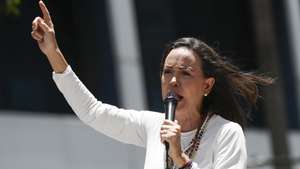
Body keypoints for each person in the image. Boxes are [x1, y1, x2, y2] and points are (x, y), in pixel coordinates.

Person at [31, 1, 273, 169]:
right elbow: (93, 112)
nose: (173, 81)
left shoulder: (226, 133)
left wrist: (180, 158)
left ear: (207, 85)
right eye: (167, 72)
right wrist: (53, 52)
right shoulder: (153, 126)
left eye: (185, 74)